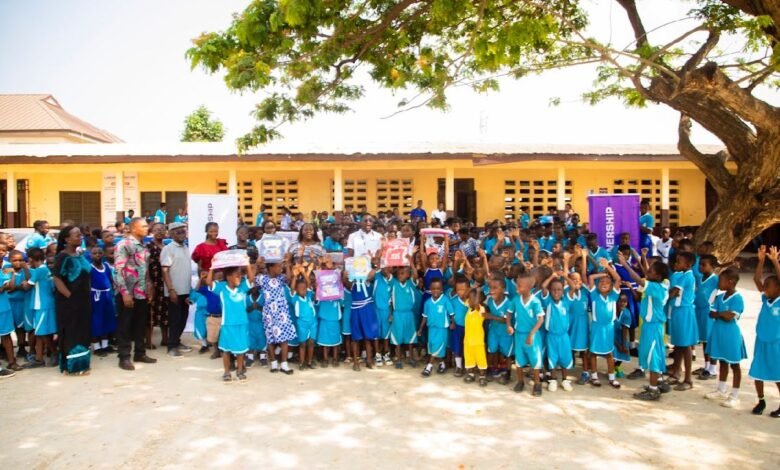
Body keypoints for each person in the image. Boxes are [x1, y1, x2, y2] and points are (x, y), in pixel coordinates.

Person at [618, 253, 672, 401]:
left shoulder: (657, 288)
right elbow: (643, 284)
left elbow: (639, 280)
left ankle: (654, 390)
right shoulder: (659, 284)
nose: (647, 273)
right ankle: (659, 382)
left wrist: (625, 264)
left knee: (653, 356)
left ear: (659, 276)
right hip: (652, 326)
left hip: (653, 327)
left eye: (651, 272)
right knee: (655, 354)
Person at [114, 218, 157, 371]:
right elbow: (118, 270)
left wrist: (149, 285)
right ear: (133, 228)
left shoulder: (144, 245)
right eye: (143, 226)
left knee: (140, 324)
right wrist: (125, 293)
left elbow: (144, 268)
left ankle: (140, 353)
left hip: (142, 291)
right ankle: (124, 357)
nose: (147, 228)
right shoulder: (124, 245)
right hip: (127, 292)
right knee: (125, 325)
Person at [704, 268, 748, 408]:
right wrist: (722, 314)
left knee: (734, 364)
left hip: (731, 335)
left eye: (721, 280)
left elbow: (730, 317)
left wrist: (720, 314)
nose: (719, 283)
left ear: (730, 282)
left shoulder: (737, 298)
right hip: (719, 333)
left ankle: (735, 395)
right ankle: (721, 389)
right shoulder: (719, 296)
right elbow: (712, 313)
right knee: (722, 362)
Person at [52, 226, 93, 375]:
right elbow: (57, 279)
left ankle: (83, 363)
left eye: (80, 234)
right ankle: (72, 366)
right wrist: (70, 297)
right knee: (71, 332)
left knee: (82, 331)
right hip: (69, 303)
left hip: (84, 301)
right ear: (67, 239)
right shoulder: (63, 256)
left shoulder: (79, 255)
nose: (80, 236)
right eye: (76, 235)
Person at [206, 260, 255, 383]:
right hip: (227, 324)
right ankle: (227, 372)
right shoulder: (222, 288)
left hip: (241, 323)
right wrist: (212, 267)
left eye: (240, 274)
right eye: (237, 275)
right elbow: (208, 282)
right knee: (226, 350)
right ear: (228, 277)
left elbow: (251, 278)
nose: (240, 277)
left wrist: (247, 263)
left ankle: (239, 371)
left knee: (241, 350)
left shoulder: (242, 287)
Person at [749, 245, 780, 417]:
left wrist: (774, 261)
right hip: (761, 340)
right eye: (765, 285)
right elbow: (756, 279)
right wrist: (761, 261)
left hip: (776, 343)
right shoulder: (765, 299)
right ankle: (761, 400)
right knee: (758, 372)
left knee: (778, 375)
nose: (765, 287)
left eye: (769, 285)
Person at [256, 255, 296, 374]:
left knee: (284, 339)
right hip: (269, 313)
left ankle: (284, 364)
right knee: (270, 339)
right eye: (278, 267)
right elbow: (251, 279)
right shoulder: (262, 279)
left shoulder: (281, 278)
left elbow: (289, 278)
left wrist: (288, 263)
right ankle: (273, 363)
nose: (280, 269)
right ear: (270, 268)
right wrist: (258, 264)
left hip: (282, 312)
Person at [586, 258, 622, 388]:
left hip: (608, 328)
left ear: (612, 286)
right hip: (596, 327)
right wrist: (603, 273)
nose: (603, 283)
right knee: (594, 352)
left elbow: (617, 279)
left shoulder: (613, 296)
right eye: (601, 281)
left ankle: (612, 377)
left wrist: (608, 267)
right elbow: (591, 278)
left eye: (607, 282)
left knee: (608, 354)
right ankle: (594, 376)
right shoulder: (594, 295)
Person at [509, 272, 544, 396]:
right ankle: (520, 381)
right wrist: (508, 325)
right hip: (519, 334)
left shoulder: (535, 301)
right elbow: (509, 313)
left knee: (535, 360)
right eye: (517, 285)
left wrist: (532, 334)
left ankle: (537, 384)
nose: (517, 287)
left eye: (520, 285)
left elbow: (540, 319)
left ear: (529, 287)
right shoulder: (515, 300)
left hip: (532, 336)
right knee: (519, 359)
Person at [160, 222, 193, 358]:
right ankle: (171, 346)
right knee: (175, 319)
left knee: (183, 318)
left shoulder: (185, 247)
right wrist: (171, 290)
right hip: (174, 291)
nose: (182, 234)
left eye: (183, 232)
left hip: (185, 290)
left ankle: (177, 341)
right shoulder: (168, 249)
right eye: (178, 232)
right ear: (171, 234)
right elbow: (165, 271)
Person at [667, 251, 697, 390]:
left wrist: (660, 295)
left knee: (685, 346)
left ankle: (688, 379)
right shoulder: (680, 275)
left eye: (679, 262)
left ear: (688, 264)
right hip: (678, 312)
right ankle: (676, 372)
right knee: (678, 345)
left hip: (684, 312)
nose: (676, 264)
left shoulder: (687, 277)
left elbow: (673, 292)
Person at [25, 248, 57, 368]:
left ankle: (54, 353)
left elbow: (27, 287)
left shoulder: (39, 271)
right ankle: (39, 358)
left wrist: (25, 281)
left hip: (42, 305)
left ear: (32, 259)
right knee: (40, 332)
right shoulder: (45, 270)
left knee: (42, 332)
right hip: (44, 304)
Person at [418, 278, 453, 377]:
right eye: (433, 288)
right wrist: (420, 328)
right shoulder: (428, 302)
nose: (436, 290)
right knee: (434, 347)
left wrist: (453, 323)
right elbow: (425, 317)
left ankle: (429, 367)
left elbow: (451, 313)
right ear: (430, 289)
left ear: (442, 289)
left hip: (442, 329)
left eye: (438, 288)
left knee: (438, 346)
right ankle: (443, 364)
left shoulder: (445, 300)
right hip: (431, 329)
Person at [695, 254, 720, 380]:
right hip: (699, 311)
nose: (700, 266)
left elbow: (718, 296)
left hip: (708, 313)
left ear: (713, 267)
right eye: (700, 264)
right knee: (705, 341)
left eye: (704, 265)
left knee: (710, 341)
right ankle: (706, 366)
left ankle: (713, 369)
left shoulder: (716, 280)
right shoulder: (699, 278)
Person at [88, 246, 116, 358]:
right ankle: (96, 346)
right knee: (96, 321)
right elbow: (88, 283)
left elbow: (110, 279)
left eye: (100, 253)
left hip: (107, 295)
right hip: (95, 297)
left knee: (107, 319)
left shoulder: (106, 267)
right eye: (95, 253)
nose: (98, 255)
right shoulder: (89, 268)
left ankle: (105, 345)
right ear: (91, 255)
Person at [146, 223, 169, 348]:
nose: (160, 232)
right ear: (152, 231)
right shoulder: (148, 246)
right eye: (157, 230)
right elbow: (145, 265)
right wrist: (149, 282)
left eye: (162, 229)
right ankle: (148, 342)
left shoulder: (167, 246)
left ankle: (165, 339)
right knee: (151, 311)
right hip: (153, 282)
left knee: (165, 310)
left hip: (165, 282)